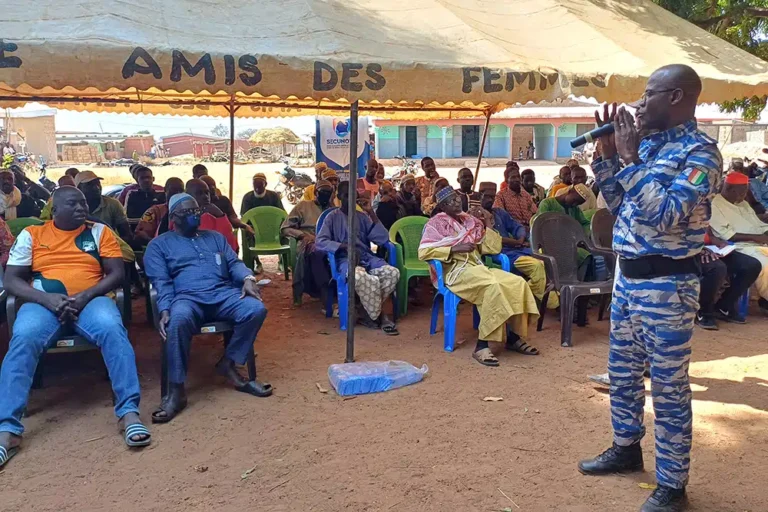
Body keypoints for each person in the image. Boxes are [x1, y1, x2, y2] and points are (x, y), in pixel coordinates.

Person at [581, 65, 722, 512]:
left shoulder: (701, 154)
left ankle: (672, 485)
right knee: (622, 375)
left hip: (668, 286)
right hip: (628, 279)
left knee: (667, 387)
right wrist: (608, 158)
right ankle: (626, 448)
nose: (639, 105)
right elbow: (622, 204)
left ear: (676, 97)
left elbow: (666, 215)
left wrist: (628, 161)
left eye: (648, 95)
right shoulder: (646, 146)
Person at [0, 187, 151, 467]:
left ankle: (128, 413)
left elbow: (117, 274)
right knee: (23, 338)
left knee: (113, 330)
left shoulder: (99, 232)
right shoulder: (32, 234)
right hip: (44, 303)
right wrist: (47, 299)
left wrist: (84, 296)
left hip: (90, 301)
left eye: (83, 203)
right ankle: (8, 430)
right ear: (55, 210)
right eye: (74, 204)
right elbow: (12, 280)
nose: (82, 208)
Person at [144, 193, 272, 423]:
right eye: (187, 212)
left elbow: (234, 263)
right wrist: (164, 309)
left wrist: (247, 279)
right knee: (177, 321)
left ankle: (228, 363)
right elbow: (161, 282)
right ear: (173, 217)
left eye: (196, 211)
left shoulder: (215, 238)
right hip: (187, 298)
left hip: (222, 294)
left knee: (255, 309)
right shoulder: (159, 245)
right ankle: (176, 391)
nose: (195, 215)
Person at [418, 187, 540, 367]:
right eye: (451, 201)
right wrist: (454, 249)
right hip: (456, 271)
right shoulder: (435, 224)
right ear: (443, 207)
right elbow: (424, 252)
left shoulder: (470, 221)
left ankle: (513, 337)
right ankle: (482, 346)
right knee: (492, 286)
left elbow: (493, 248)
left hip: (477, 268)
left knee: (518, 282)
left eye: (457, 198)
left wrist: (488, 222)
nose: (456, 202)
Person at [316, 181, 400, 335]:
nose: (350, 199)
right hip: (344, 260)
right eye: (346, 195)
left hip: (367, 257)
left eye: (353, 195)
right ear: (339, 196)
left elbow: (382, 238)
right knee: (360, 277)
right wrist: (343, 246)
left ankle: (365, 311)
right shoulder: (331, 218)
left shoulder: (362, 217)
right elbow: (320, 241)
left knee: (392, 273)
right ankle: (380, 316)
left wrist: (371, 212)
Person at [479, 182, 557, 309]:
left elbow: (517, 226)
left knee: (547, 258)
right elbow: (490, 240)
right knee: (537, 266)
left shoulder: (499, 212)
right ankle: (553, 303)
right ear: (480, 196)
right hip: (499, 254)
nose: (490, 200)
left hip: (516, 249)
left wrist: (520, 238)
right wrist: (515, 242)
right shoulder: (476, 216)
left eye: (493, 197)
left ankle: (533, 295)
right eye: (487, 196)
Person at [709, 171, 768, 312]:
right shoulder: (714, 204)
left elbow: (758, 225)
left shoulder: (742, 203)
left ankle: (764, 300)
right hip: (739, 246)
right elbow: (727, 235)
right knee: (765, 264)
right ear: (729, 189)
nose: (744, 195)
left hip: (759, 241)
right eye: (742, 192)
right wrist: (755, 238)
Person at [282, 179, 334, 304]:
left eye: (328, 193)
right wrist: (302, 235)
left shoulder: (333, 210)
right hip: (308, 241)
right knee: (316, 253)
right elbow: (285, 228)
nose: (325, 195)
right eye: (322, 192)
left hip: (328, 243)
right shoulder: (303, 206)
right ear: (315, 192)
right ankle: (324, 291)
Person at [696, 236, 761, 330]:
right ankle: (704, 311)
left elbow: (708, 236)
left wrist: (720, 243)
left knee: (752, 265)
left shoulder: (702, 225)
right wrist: (699, 248)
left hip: (711, 250)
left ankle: (724, 306)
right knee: (717, 268)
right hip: (688, 253)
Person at [240, 173, 285, 273]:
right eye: (255, 185)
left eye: (260, 185)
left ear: (266, 184)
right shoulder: (247, 197)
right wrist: (253, 227)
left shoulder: (273, 196)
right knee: (247, 233)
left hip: (273, 228)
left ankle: (282, 262)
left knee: (285, 230)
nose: (257, 188)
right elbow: (244, 216)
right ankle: (256, 263)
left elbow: (281, 213)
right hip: (254, 229)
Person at [74, 171, 132, 242]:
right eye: (89, 185)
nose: (96, 187)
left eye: (98, 183)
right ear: (79, 188)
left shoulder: (112, 204)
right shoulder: (71, 208)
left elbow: (126, 235)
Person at [184, 179, 238, 253]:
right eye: (199, 193)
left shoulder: (214, 218)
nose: (205, 196)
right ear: (188, 196)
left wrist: (220, 215)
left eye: (207, 193)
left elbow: (232, 246)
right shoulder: (181, 218)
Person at [134, 177, 185, 244]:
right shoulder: (154, 211)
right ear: (165, 190)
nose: (177, 193)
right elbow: (139, 236)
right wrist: (158, 244)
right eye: (173, 190)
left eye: (181, 190)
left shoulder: (188, 212)